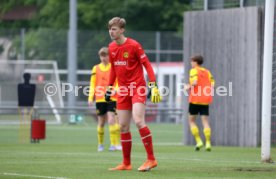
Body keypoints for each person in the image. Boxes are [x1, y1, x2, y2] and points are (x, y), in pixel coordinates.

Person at [106, 17, 161, 171]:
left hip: (137, 87)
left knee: (138, 121)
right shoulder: (111, 48)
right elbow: (113, 70)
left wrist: (153, 85)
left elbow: (147, 65)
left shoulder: (134, 45)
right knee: (123, 126)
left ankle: (151, 159)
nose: (111, 31)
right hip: (122, 90)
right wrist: (109, 88)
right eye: (110, 29)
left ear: (122, 30)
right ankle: (126, 163)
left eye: (114, 29)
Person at [88, 47, 121, 152]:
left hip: (112, 98)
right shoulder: (95, 68)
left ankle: (113, 144)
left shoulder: (114, 67)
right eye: (102, 56)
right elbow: (92, 83)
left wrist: (116, 89)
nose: (103, 58)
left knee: (111, 119)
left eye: (105, 55)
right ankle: (100, 144)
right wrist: (90, 97)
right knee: (101, 122)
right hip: (100, 99)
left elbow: (119, 81)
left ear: (109, 56)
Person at [185, 55, 215, 151]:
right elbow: (213, 84)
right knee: (205, 122)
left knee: (191, 121)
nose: (191, 63)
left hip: (195, 99)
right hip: (205, 99)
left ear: (195, 62)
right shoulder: (207, 72)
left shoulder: (194, 70)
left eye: (192, 61)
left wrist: (187, 87)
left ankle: (199, 141)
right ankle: (208, 143)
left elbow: (194, 82)